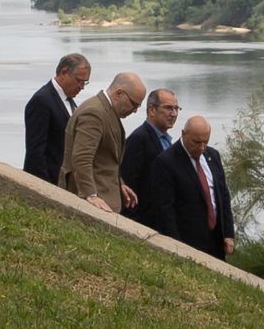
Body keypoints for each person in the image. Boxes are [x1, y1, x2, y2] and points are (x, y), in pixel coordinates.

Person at [58, 72, 147, 213]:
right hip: (92, 204)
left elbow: (104, 158)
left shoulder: (106, 110)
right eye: (133, 104)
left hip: (105, 197)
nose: (135, 110)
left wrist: (118, 183)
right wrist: (90, 195)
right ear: (119, 94)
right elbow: (82, 158)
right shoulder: (94, 113)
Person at [150, 115, 235, 259]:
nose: (201, 147)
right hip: (187, 240)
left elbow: (223, 196)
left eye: (205, 142)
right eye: (196, 142)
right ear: (184, 134)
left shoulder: (213, 156)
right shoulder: (166, 162)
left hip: (216, 239)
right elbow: (165, 209)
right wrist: (176, 245)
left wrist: (228, 233)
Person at [23, 54, 91, 184]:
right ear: (64, 72)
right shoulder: (41, 101)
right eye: (79, 81)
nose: (82, 87)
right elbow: (35, 152)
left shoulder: (69, 100)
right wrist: (46, 187)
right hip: (48, 183)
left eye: (85, 82)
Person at [120, 88, 180, 226]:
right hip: (145, 221)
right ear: (152, 110)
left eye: (176, 108)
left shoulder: (166, 140)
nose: (174, 114)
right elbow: (129, 183)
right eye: (168, 108)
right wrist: (134, 224)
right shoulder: (139, 139)